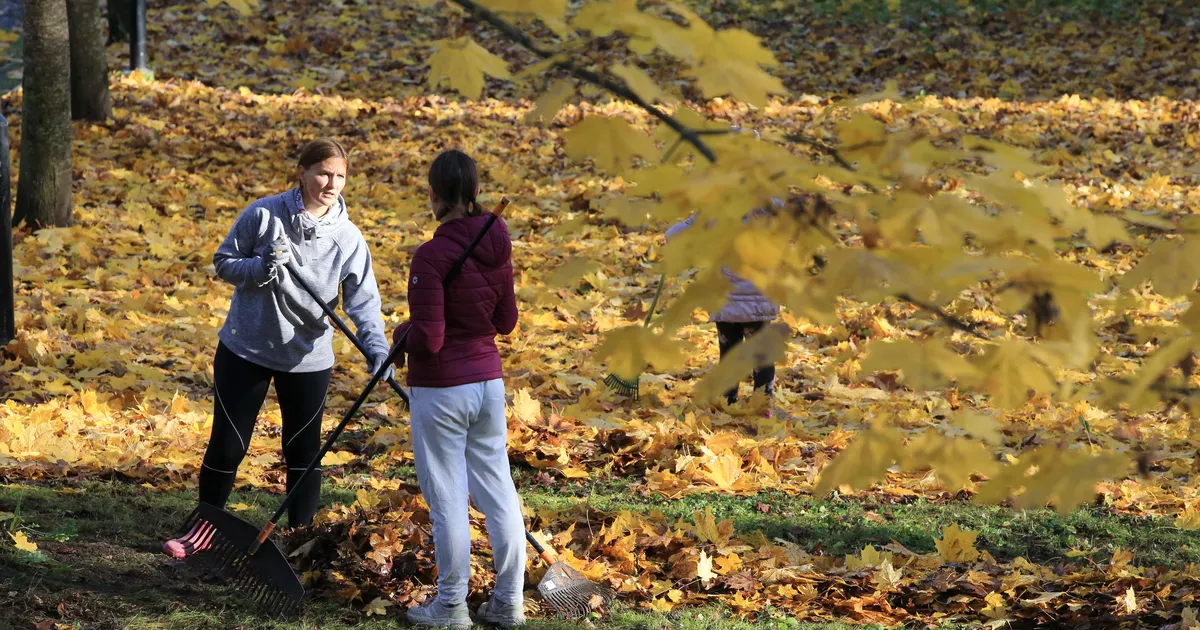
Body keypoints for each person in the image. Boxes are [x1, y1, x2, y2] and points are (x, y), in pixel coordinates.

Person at [162, 138, 393, 558]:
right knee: (228, 445)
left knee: (303, 453)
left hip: (307, 358)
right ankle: (203, 530)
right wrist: (260, 266)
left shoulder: (348, 238)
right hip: (246, 349)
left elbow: (364, 302)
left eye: (340, 176)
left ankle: (299, 544)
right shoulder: (264, 214)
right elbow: (224, 262)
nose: (332, 184)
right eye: (323, 173)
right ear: (302, 173)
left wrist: (377, 348)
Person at [391, 149, 526, 629]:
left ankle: (451, 606)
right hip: (488, 384)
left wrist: (401, 335)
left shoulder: (430, 256)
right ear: (475, 191)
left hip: (443, 388)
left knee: (447, 497)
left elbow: (429, 339)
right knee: (498, 490)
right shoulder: (497, 243)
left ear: (433, 194)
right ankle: (508, 602)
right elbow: (506, 321)